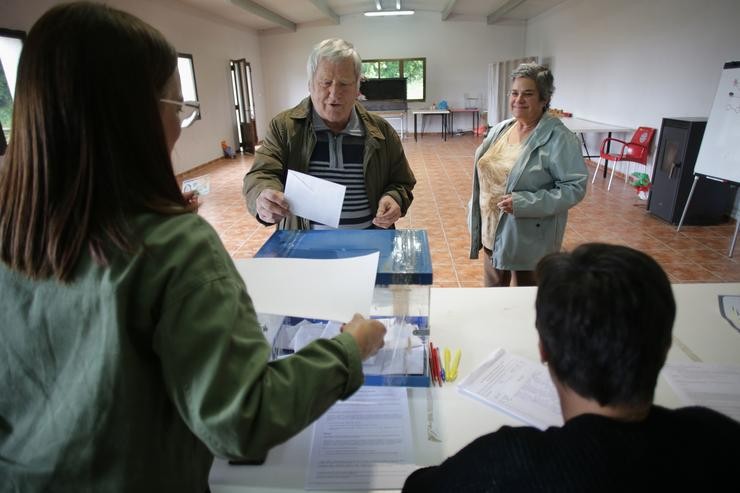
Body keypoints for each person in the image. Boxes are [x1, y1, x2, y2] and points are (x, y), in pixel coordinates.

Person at [0, 3, 386, 491]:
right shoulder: (174, 246)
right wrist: (349, 349)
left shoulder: (15, 223)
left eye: (344, 85)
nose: (180, 127)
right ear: (134, 116)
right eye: (178, 108)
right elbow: (242, 418)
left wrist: (394, 195)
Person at [403, 243, 740, 492]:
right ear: (665, 346)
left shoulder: (506, 463)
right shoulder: (717, 436)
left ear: (544, 349)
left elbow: (418, 487)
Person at [243, 38, 415, 230]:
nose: (334, 93)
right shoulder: (284, 128)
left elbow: (401, 181)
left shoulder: (381, 132)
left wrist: (395, 197)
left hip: (369, 246)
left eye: (344, 83)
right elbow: (261, 174)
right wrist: (263, 195)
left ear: (358, 88)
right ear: (310, 85)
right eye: (325, 83)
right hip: (304, 250)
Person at [468, 62, 587, 287]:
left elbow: (574, 188)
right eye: (514, 93)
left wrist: (525, 203)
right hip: (492, 230)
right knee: (493, 294)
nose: (518, 99)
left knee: (525, 298)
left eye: (528, 94)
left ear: (544, 99)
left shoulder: (559, 139)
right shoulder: (501, 129)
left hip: (528, 237)